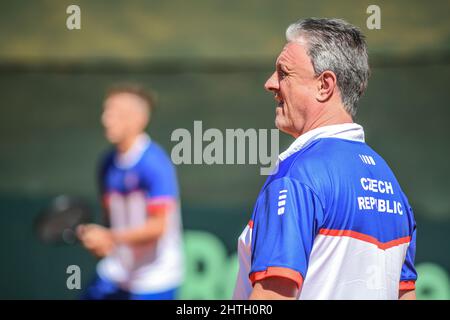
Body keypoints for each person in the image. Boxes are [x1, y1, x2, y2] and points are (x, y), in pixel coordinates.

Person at [233, 18, 417, 300]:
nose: (270, 84)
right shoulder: (391, 183)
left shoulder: (296, 175)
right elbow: (405, 294)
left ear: (325, 85)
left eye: (284, 73)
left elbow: (275, 295)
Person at [77, 84, 184, 300]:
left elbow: (158, 226)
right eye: (106, 111)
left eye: (116, 113)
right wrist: (102, 240)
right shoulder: (106, 163)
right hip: (115, 273)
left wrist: (110, 237)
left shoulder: (156, 164)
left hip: (155, 279)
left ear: (139, 120)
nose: (106, 119)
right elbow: (111, 218)